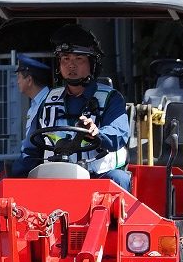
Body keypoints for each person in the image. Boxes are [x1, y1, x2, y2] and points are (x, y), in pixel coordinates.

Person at [12, 24, 131, 190]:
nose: (71, 65)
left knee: (119, 179)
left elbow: (119, 134)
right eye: (66, 59)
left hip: (98, 179)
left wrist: (97, 134)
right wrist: (13, 182)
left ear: (92, 64)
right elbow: (31, 150)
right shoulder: (48, 100)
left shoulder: (111, 98)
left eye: (78, 59)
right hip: (53, 180)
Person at [15, 53, 51, 136]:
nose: (17, 82)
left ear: (29, 80)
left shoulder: (49, 104)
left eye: (19, 77)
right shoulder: (35, 104)